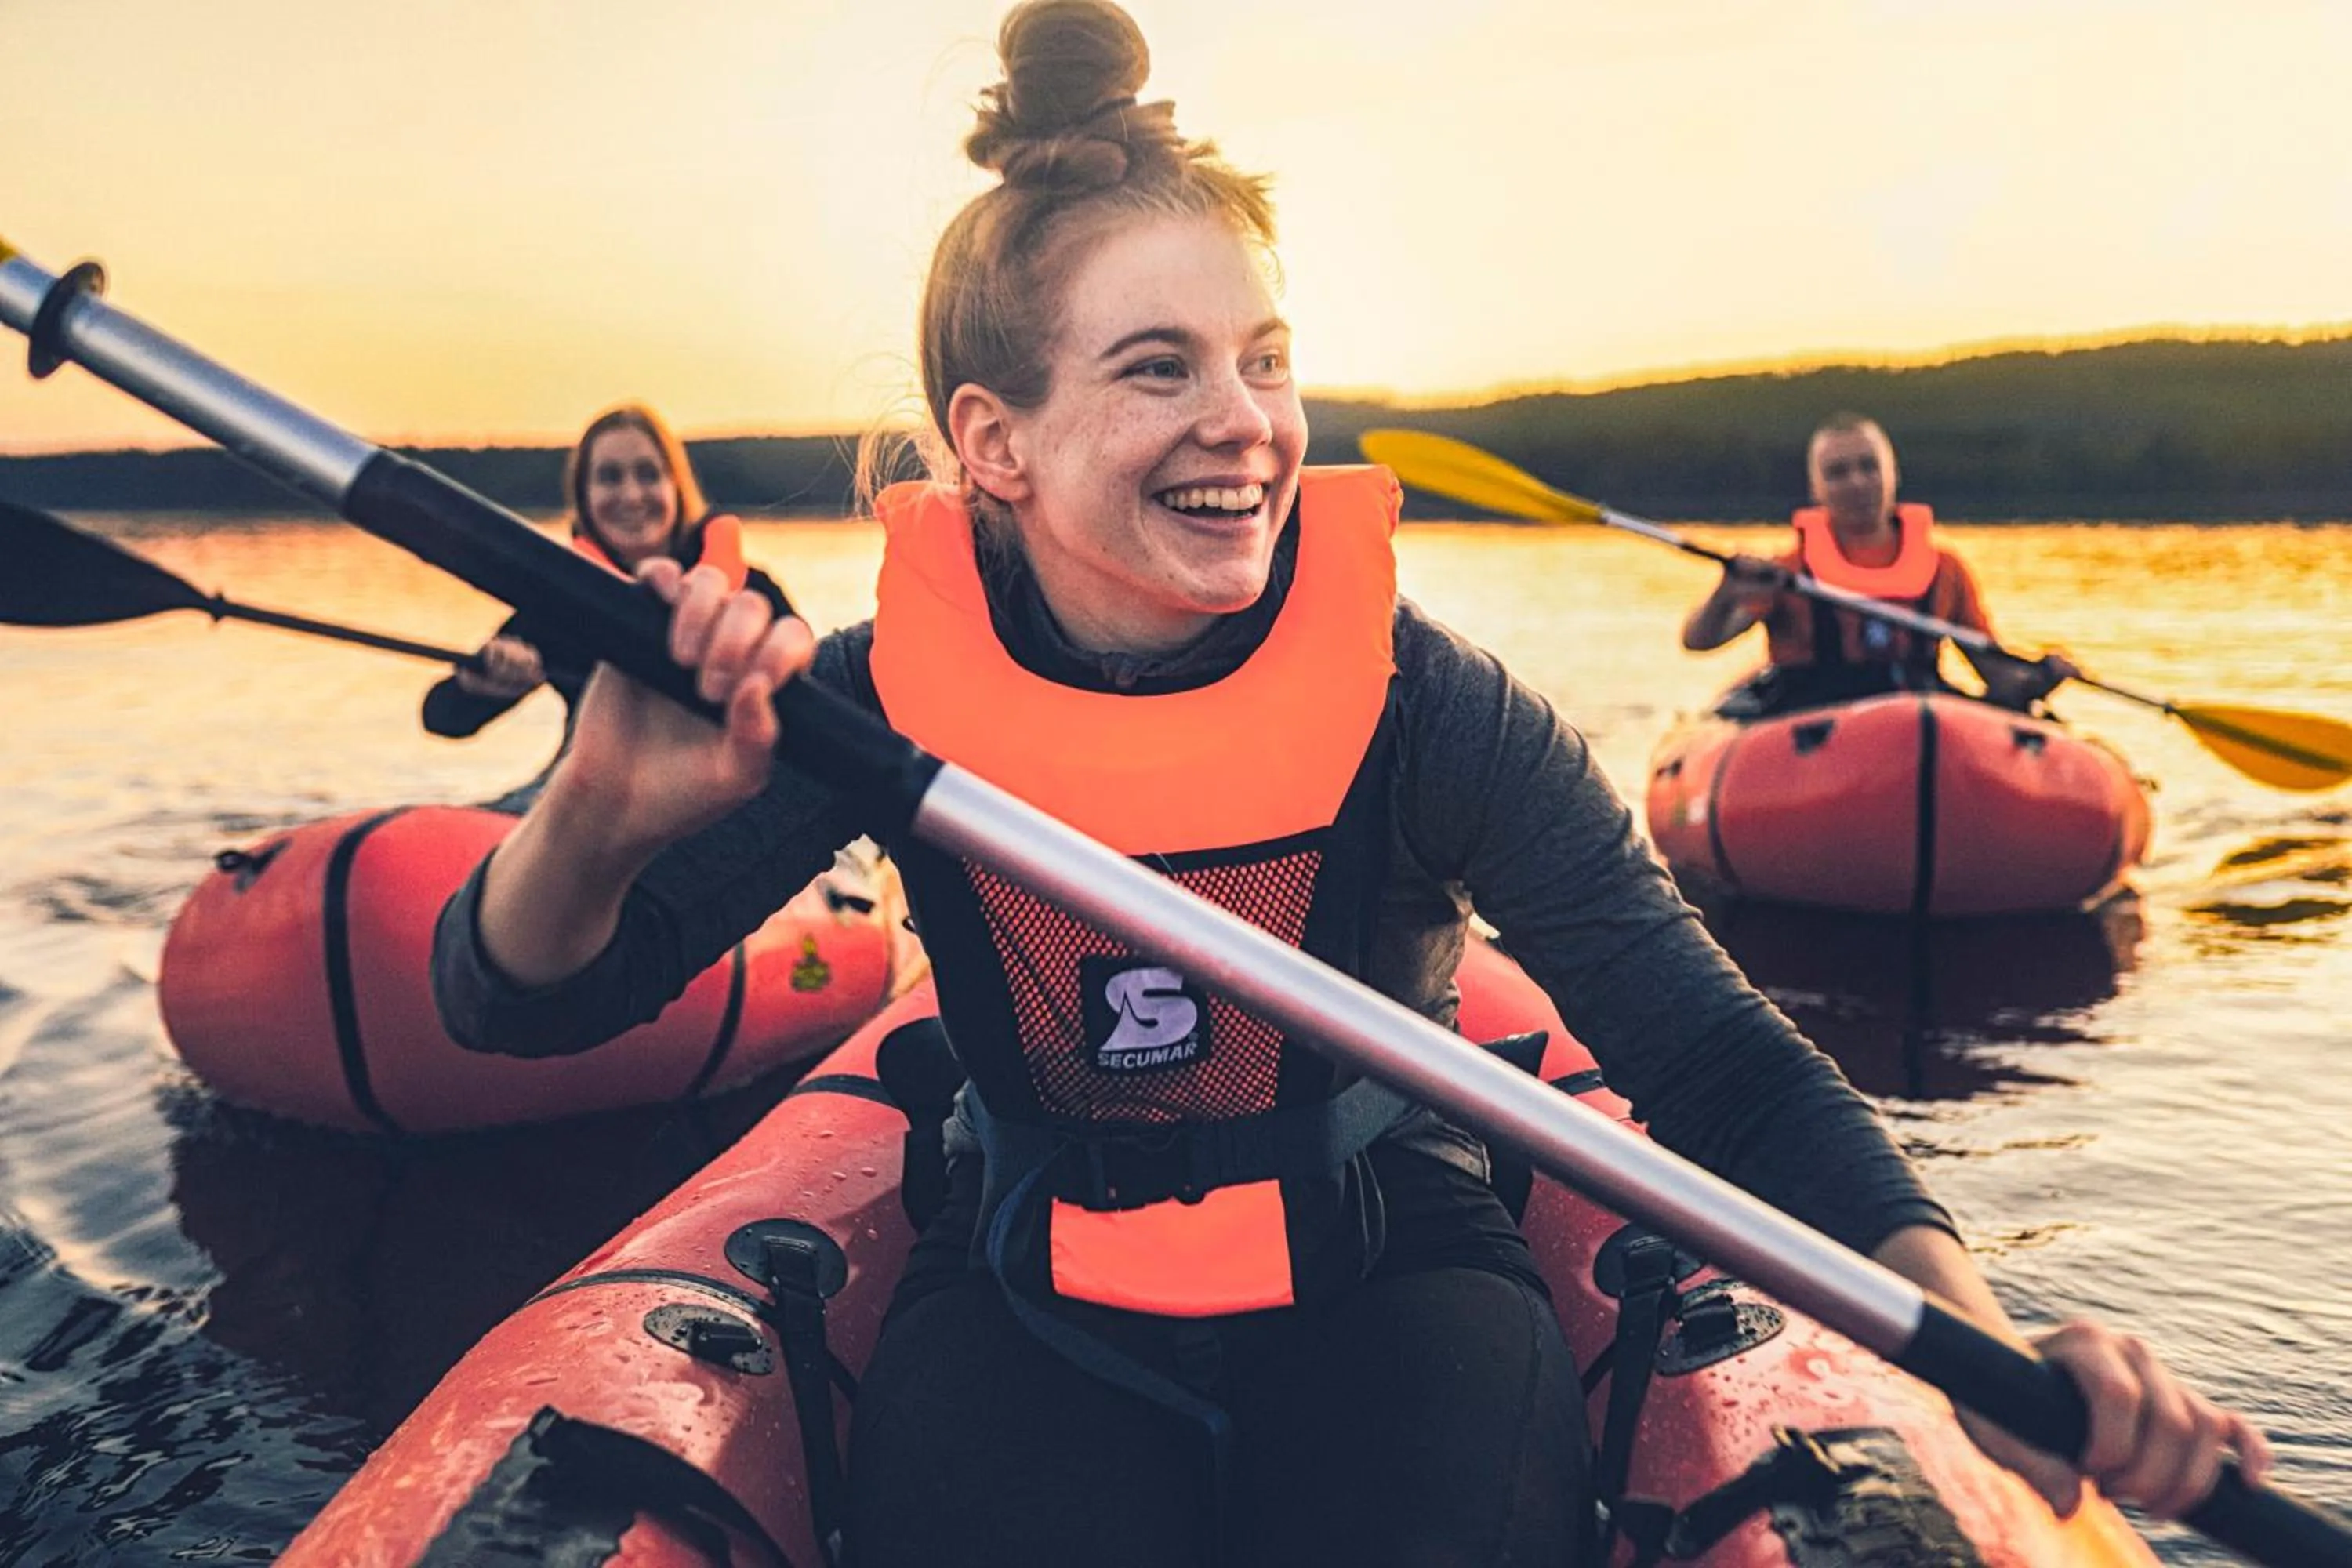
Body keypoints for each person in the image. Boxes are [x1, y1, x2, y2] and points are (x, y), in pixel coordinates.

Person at [430, 5, 2267, 1563]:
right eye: (1158, 368)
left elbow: (1712, 1058)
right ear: (993, 440)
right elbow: (517, 1004)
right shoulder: (871, 701)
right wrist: (595, 810)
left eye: (1265, 359)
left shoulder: (1425, 702)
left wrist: (1978, 1335)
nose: (1243, 422)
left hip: (1391, 1264)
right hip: (1023, 1271)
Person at [419, 402, 794, 808]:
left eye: (648, 474)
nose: (631, 495)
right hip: (590, 799)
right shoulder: (561, 601)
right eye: (610, 477)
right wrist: (482, 681)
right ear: (585, 496)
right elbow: (443, 717)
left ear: (676, 486)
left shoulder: (751, 594)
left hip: (723, 796)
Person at [1680, 412, 2075, 714]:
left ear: (1892, 474)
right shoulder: (1790, 572)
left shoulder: (1944, 570)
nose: (1856, 482)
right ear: (1816, 489)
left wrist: (2041, 679)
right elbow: (1699, 640)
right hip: (1811, 720)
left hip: (1918, 711)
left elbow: (1998, 678)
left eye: (1868, 467)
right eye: (1837, 473)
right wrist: (1725, 593)